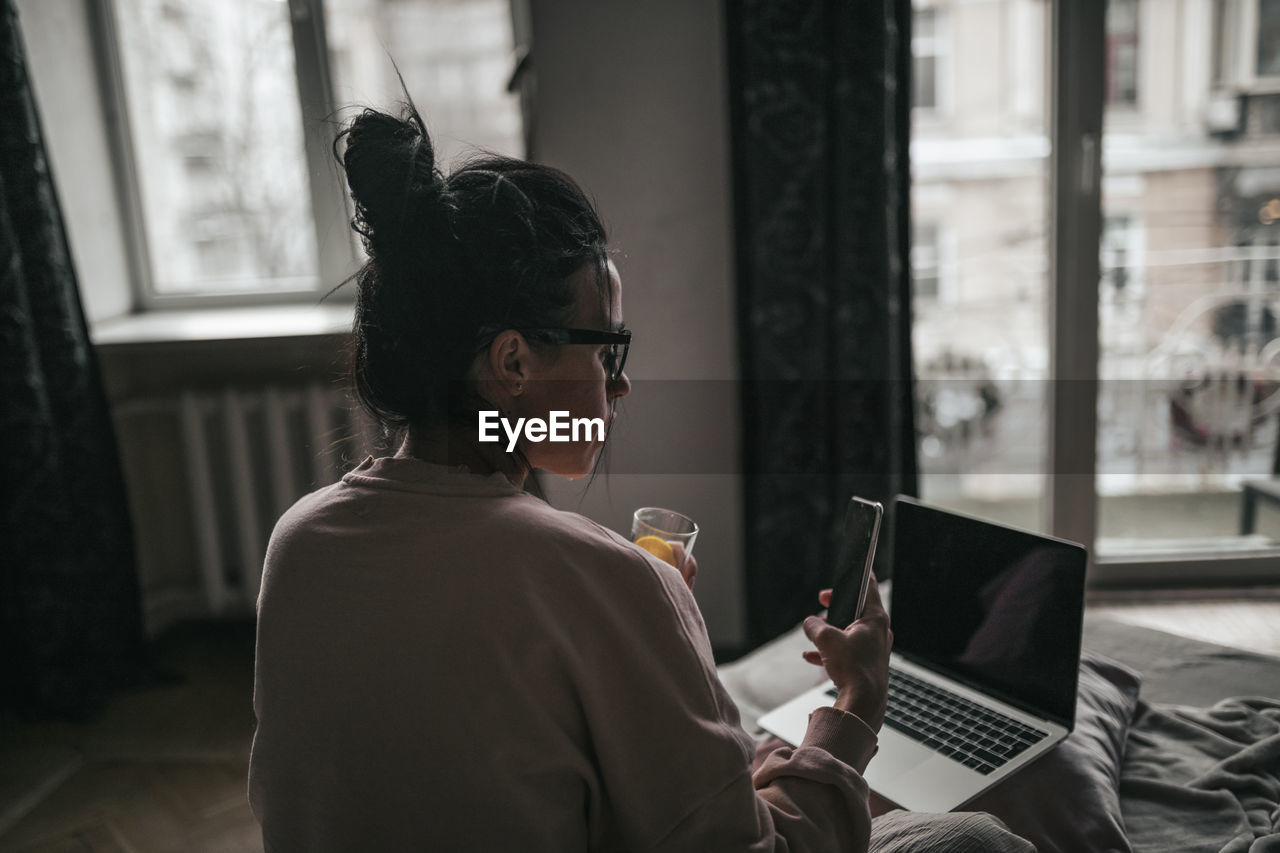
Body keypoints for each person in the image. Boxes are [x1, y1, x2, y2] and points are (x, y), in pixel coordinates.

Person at [247, 104, 1027, 852]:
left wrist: (635, 621)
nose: (620, 387)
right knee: (975, 840)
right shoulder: (605, 581)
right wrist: (857, 705)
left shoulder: (300, 542)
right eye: (606, 351)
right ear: (513, 362)